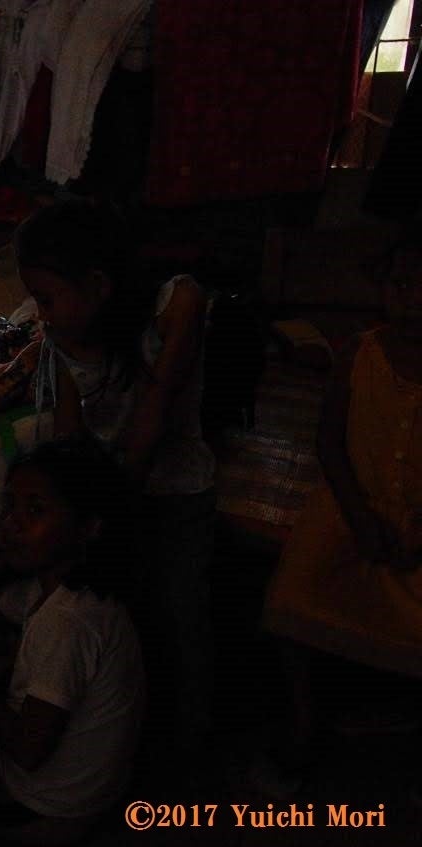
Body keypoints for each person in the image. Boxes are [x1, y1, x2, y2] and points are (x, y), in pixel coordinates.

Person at [13, 201, 215, 755]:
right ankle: (126, 738)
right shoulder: (60, 338)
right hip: (109, 489)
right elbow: (71, 438)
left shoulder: (177, 304)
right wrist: (69, 509)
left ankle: (190, 750)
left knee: (180, 622)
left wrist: (96, 519)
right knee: (123, 621)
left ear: (99, 286)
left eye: (47, 299)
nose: (42, 315)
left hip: (174, 489)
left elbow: (153, 418)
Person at [256, 232, 422, 793]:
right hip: (352, 503)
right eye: (402, 284)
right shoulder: (361, 353)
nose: (414, 299)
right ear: (383, 288)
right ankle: (303, 725)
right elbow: (329, 443)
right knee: (292, 595)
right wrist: (360, 518)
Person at [0, 438, 145, 832]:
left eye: (35, 510)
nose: (12, 524)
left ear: (88, 527)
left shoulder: (69, 621)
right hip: (81, 791)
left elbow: (27, 751)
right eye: (10, 507)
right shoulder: (61, 588)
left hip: (46, 802)